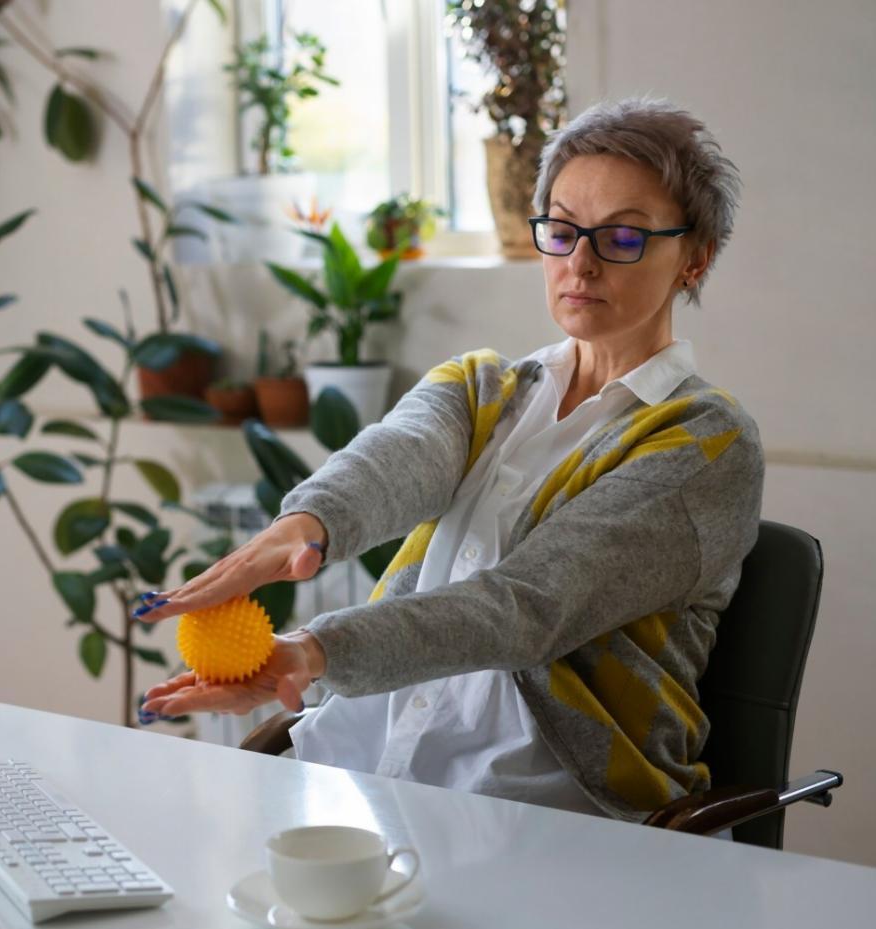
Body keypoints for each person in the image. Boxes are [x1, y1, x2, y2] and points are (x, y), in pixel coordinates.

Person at [136, 97, 761, 822]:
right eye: (561, 230)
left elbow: (527, 608)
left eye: (622, 236)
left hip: (543, 808)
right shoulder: (482, 388)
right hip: (359, 769)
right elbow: (394, 461)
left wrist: (311, 650)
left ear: (695, 257)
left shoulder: (708, 444)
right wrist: (297, 531)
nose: (580, 262)